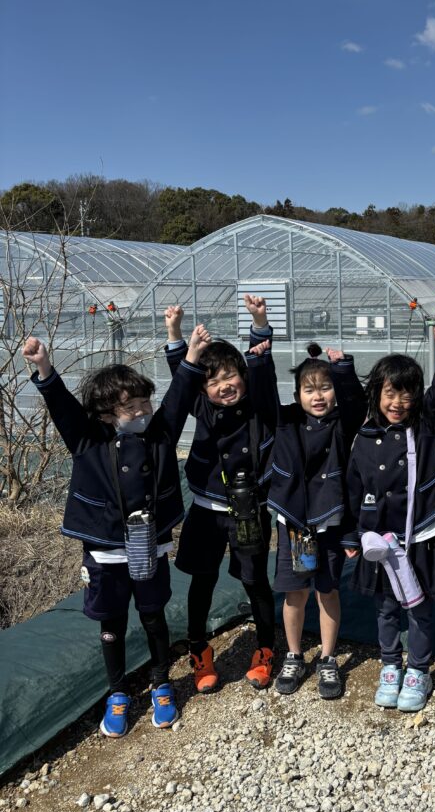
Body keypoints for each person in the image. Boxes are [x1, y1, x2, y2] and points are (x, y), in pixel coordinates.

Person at [22, 325, 210, 738]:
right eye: (131, 407)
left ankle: (161, 683)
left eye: (145, 402)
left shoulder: (160, 435)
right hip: (105, 551)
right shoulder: (87, 440)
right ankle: (118, 691)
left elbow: (179, 399)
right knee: (111, 622)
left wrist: (193, 354)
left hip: (150, 546)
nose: (142, 411)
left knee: (153, 615)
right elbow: (63, 408)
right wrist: (44, 367)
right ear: (107, 413)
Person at [248, 329, 366, 699]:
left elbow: (357, 404)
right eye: (309, 389)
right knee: (294, 593)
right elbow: (262, 398)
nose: (318, 396)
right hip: (295, 525)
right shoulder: (286, 421)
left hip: (329, 521)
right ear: (297, 394)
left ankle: (328, 659)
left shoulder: (342, 424)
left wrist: (343, 369)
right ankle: (295, 654)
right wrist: (260, 360)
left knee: (327, 591)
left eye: (325, 388)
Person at [346, 325, 435, 712]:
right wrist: (353, 536)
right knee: (386, 606)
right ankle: (391, 664)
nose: (397, 402)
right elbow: (354, 488)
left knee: (419, 604)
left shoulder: (422, 426)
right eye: (390, 393)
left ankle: (419, 670)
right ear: (376, 394)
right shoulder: (364, 436)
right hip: (381, 540)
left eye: (406, 393)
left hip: (421, 533)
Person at [164, 298, 275, 693]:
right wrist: (175, 333)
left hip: (250, 511)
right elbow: (182, 376)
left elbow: (262, 367)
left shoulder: (259, 407)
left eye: (230, 376)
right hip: (206, 509)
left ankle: (265, 648)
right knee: (202, 579)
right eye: (213, 382)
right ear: (204, 389)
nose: (224, 386)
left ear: (242, 376)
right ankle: (199, 649)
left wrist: (259, 323)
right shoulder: (203, 408)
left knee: (255, 581)